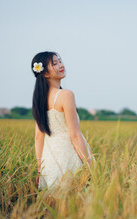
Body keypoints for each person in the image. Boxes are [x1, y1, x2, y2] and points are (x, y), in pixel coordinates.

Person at [32, 51, 95, 192]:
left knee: (53, 208)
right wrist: (89, 166)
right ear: (46, 73)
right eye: (54, 63)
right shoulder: (66, 95)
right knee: (76, 205)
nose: (61, 65)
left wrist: (39, 169)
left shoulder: (39, 100)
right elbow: (75, 136)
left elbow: (38, 137)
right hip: (68, 158)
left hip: (49, 161)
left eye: (60, 61)